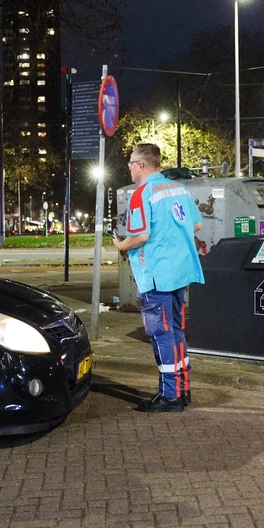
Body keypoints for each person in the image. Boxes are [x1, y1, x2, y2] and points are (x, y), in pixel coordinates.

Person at [112, 143, 204, 413]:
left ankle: (170, 396)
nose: (128, 167)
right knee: (176, 331)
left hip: (157, 275)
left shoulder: (142, 194)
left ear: (141, 165)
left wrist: (120, 246)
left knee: (161, 334)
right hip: (180, 271)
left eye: (130, 162)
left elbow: (141, 236)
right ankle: (183, 388)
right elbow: (196, 224)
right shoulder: (179, 189)